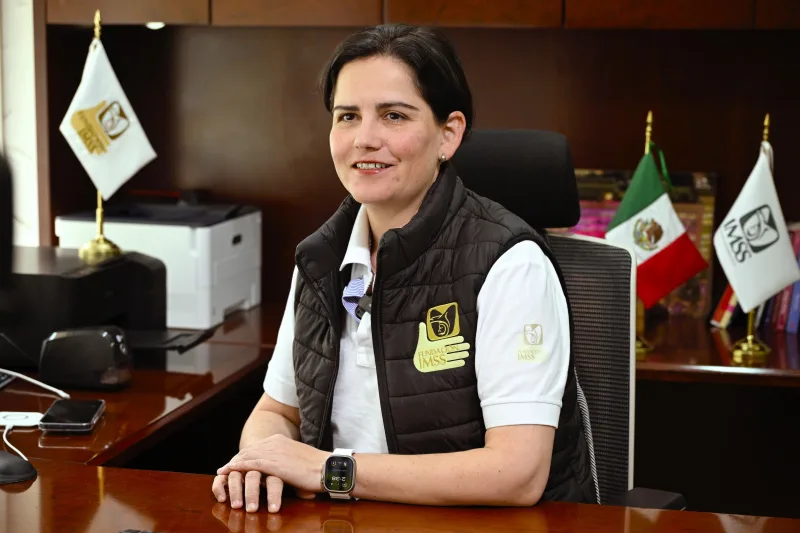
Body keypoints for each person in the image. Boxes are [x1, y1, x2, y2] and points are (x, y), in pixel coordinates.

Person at [213, 23, 595, 513]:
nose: (365, 139)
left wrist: (327, 469)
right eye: (347, 116)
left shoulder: (510, 263)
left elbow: (517, 473)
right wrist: (261, 457)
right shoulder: (319, 259)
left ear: (448, 134)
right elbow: (277, 410)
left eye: (393, 115)